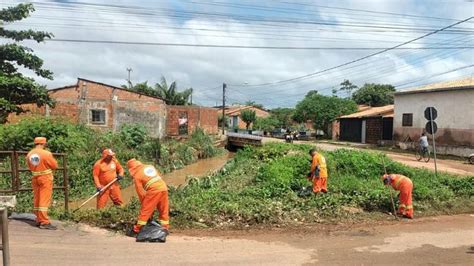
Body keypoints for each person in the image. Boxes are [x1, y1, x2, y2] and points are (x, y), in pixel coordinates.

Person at [127, 159, 169, 237]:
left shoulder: (137, 176)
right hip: (164, 188)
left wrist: (145, 204)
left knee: (145, 211)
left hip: (154, 190)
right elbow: (159, 176)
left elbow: (141, 193)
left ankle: (137, 229)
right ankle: (165, 228)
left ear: (132, 169)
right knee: (163, 209)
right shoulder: (150, 166)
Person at [26, 137, 58, 230]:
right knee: (44, 199)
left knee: (37, 198)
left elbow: (29, 166)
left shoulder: (29, 154)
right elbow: (55, 165)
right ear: (43, 143)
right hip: (45, 178)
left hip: (35, 177)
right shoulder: (46, 153)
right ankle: (44, 222)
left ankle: (38, 219)